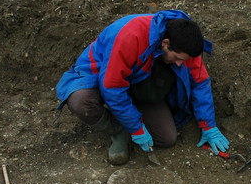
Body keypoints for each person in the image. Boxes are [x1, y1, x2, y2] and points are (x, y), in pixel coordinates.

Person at [55, 10, 229, 165]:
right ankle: (119, 130)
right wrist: (135, 128)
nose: (179, 63)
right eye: (177, 58)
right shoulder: (130, 37)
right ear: (165, 43)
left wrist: (208, 125)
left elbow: (199, 83)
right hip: (100, 73)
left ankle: (130, 115)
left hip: (139, 81)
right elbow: (112, 86)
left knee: (167, 138)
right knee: (81, 102)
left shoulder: (186, 43)